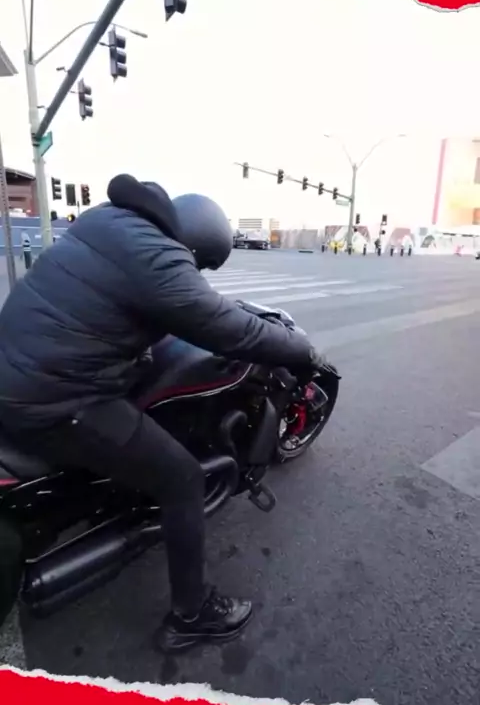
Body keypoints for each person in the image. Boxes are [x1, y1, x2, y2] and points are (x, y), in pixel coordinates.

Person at [0, 175, 325, 653]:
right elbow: (231, 330)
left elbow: (112, 300)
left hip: (17, 369)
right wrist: (303, 350)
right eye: (201, 265)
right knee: (182, 478)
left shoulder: (107, 221)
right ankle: (192, 615)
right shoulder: (160, 260)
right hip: (56, 401)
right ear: (193, 247)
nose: (198, 272)